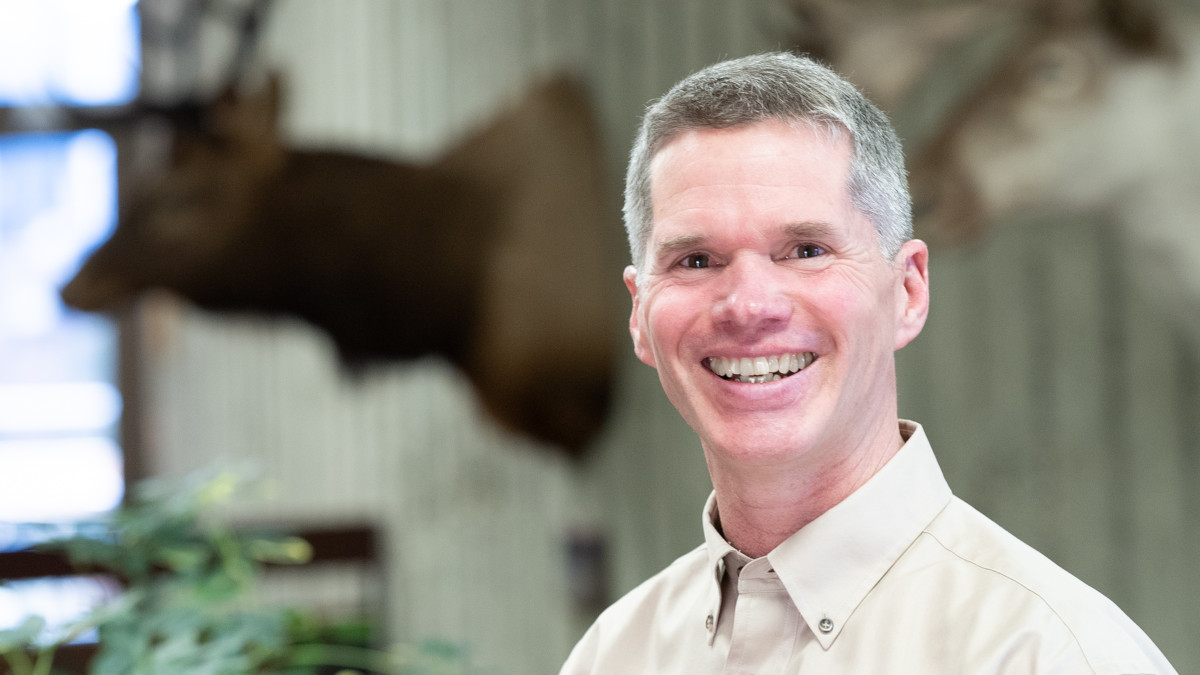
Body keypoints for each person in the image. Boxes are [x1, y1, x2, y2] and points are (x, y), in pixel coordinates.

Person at [559, 52, 1176, 674]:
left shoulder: (1051, 654)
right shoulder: (613, 654)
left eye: (805, 249)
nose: (748, 306)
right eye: (695, 260)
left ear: (908, 291)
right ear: (640, 314)